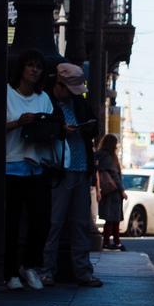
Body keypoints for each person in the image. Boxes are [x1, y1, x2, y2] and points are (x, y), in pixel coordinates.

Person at [40, 63, 102, 288]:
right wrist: (60, 129)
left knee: (80, 224)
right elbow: (40, 131)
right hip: (60, 170)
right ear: (59, 84)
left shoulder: (79, 103)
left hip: (80, 167)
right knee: (54, 222)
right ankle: (47, 270)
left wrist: (85, 128)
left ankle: (83, 271)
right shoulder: (47, 102)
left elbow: (95, 128)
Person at [4, 49, 54, 291]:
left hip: (36, 166)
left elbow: (52, 126)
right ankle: (10, 271)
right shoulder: (7, 94)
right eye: (30, 65)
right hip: (10, 166)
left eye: (38, 67)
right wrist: (18, 123)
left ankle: (29, 265)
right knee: (11, 223)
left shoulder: (43, 98)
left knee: (41, 221)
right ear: (21, 69)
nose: (34, 70)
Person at [96, 133, 127, 251]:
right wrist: (122, 190)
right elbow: (115, 175)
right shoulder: (109, 157)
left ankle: (113, 242)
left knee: (112, 218)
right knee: (113, 218)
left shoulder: (100, 155)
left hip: (105, 190)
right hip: (113, 191)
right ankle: (111, 242)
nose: (117, 146)